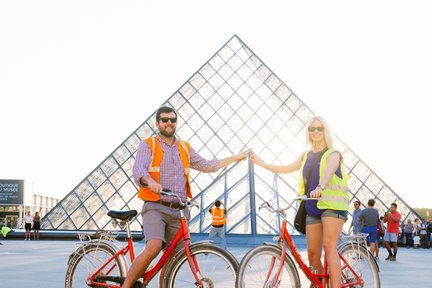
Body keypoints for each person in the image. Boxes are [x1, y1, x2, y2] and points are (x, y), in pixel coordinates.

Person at [122, 106, 247, 288]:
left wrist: (236, 157)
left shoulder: (184, 148)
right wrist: (150, 181)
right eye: (164, 120)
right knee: (154, 246)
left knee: (173, 259)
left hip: (179, 211)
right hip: (155, 206)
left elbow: (207, 165)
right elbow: (139, 170)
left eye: (172, 120)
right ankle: (126, 286)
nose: (169, 123)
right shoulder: (148, 144)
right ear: (157, 123)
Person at [250, 115, 349, 288]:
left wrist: (320, 186)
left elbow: (330, 170)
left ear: (325, 131)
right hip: (312, 206)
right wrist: (260, 163)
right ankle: (319, 284)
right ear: (308, 132)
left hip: (333, 207)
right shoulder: (306, 155)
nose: (316, 132)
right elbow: (285, 168)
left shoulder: (333, 153)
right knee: (312, 254)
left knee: (329, 246)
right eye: (312, 129)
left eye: (319, 128)